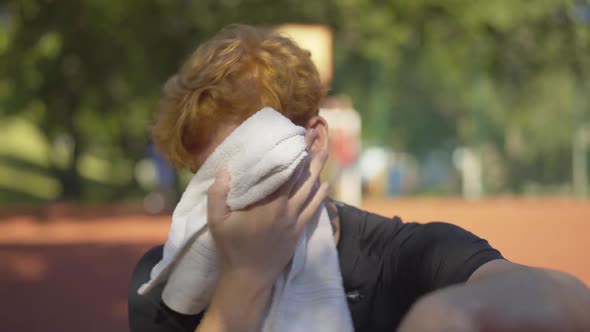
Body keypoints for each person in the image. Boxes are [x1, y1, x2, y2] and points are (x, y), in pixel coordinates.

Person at [128, 24, 590, 332]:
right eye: (205, 180)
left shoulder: (402, 258)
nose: (224, 199)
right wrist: (245, 279)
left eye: (247, 167)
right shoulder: (168, 281)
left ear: (313, 142)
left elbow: (571, 300)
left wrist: (451, 311)